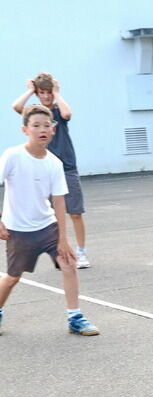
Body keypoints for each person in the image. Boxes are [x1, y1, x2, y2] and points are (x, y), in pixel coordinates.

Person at [0, 105, 98, 336]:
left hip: (47, 227)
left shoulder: (54, 163)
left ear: (53, 130)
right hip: (18, 230)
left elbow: (59, 202)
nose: (42, 130)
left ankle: (74, 317)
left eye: (46, 125)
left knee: (69, 263)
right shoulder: (12, 156)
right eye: (36, 126)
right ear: (25, 129)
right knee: (13, 278)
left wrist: (63, 239)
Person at [11, 73, 91, 268]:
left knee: (75, 213)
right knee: (51, 215)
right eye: (42, 93)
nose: (46, 96)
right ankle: (60, 250)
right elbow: (16, 107)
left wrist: (57, 93)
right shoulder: (34, 113)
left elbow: (67, 114)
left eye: (49, 93)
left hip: (67, 167)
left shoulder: (56, 111)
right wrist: (30, 90)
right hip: (43, 169)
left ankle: (81, 252)